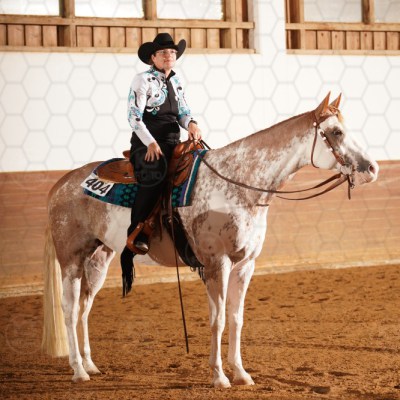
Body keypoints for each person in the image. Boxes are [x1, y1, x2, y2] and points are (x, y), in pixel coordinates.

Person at [120, 33, 202, 273]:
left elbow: (183, 112)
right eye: (164, 52)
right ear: (153, 58)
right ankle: (137, 231)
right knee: (155, 174)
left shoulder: (177, 80)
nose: (169, 56)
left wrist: (191, 124)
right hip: (147, 144)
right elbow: (134, 117)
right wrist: (150, 143)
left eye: (173, 52)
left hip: (173, 141)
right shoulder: (142, 80)